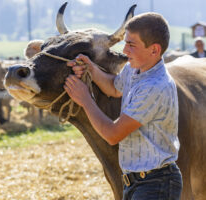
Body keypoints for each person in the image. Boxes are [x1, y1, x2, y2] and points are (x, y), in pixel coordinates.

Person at [64, 12, 182, 200]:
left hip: (156, 184)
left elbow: (113, 134)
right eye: (125, 43)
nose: (125, 51)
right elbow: (114, 88)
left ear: (154, 50)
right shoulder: (134, 69)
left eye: (131, 45)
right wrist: (91, 69)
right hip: (137, 181)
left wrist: (85, 98)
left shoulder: (154, 86)